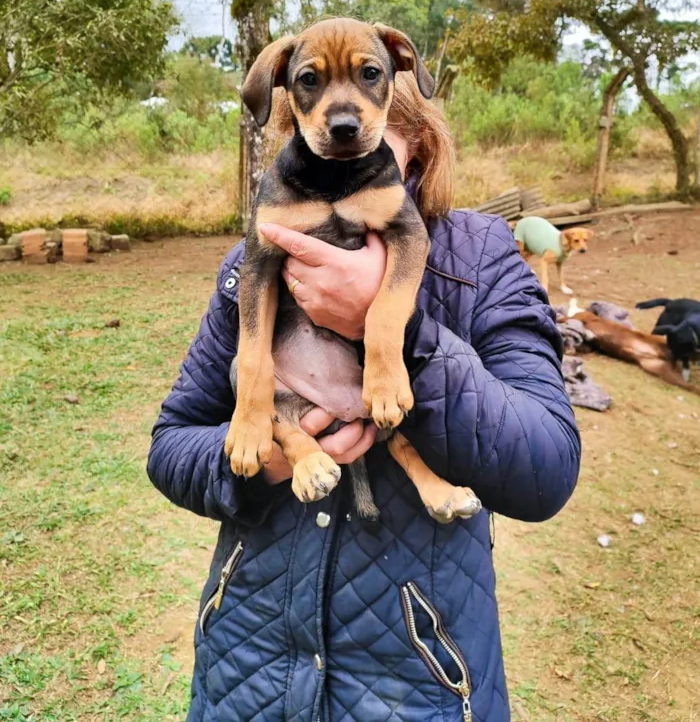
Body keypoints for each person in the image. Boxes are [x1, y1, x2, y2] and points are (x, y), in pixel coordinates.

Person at [148, 73, 581, 722]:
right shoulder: (257, 259)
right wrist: (267, 457)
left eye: (375, 146)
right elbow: (172, 445)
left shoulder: (481, 256)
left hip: (419, 681)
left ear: (419, 150)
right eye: (323, 139)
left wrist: (391, 330)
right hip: (249, 671)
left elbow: (546, 465)